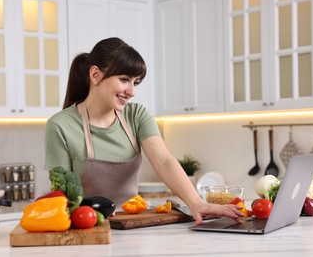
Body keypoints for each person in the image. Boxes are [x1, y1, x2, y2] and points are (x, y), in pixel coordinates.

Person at [44, 37, 243, 224]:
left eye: (135, 82)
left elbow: (164, 161)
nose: (132, 92)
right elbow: (61, 192)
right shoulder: (60, 126)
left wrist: (196, 203)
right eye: (124, 80)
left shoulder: (137, 116)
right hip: (86, 224)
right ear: (95, 75)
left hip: (132, 224)